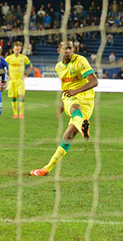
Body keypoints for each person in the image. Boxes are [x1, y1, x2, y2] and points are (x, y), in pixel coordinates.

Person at [30, 41, 98, 176]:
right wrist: (62, 105)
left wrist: (76, 91)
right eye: (64, 48)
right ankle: (46, 169)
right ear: (58, 50)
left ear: (73, 49)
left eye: (69, 48)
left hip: (87, 101)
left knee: (68, 136)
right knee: (74, 106)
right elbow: (65, 88)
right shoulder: (59, 67)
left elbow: (94, 81)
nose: (67, 50)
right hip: (71, 100)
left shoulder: (81, 61)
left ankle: (47, 168)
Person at [4, 41, 32, 119]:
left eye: (18, 49)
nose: (17, 51)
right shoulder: (9, 58)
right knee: (13, 97)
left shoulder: (24, 58)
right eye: (15, 49)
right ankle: (15, 113)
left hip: (20, 81)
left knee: (21, 96)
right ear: (13, 49)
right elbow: (3, 67)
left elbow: (30, 66)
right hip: (12, 81)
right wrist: (7, 75)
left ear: (20, 49)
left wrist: (26, 74)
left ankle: (21, 113)